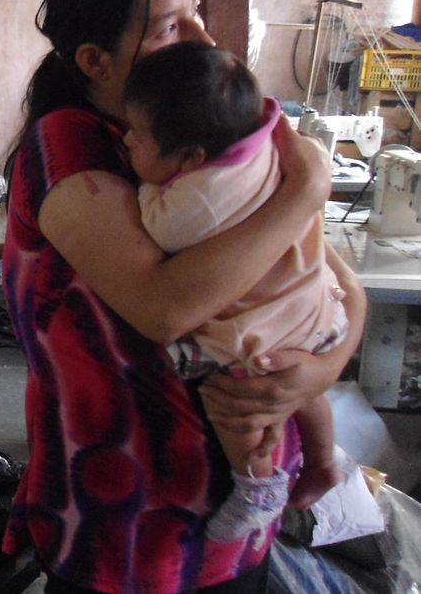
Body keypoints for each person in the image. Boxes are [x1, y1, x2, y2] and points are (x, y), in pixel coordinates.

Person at [1, 0, 366, 593]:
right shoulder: (70, 151)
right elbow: (164, 308)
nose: (202, 37)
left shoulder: (205, 137)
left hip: (233, 530)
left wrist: (320, 369)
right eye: (170, 27)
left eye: (196, 12)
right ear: (95, 60)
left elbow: (329, 282)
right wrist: (306, 187)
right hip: (126, 533)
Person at [123, 41, 346, 543]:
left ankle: (257, 483)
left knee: (235, 404)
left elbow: (159, 229)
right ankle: (323, 459)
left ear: (190, 157)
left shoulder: (197, 199)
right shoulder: (265, 141)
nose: (127, 140)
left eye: (136, 135)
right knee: (305, 388)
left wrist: (145, 190)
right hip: (315, 305)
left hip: (263, 326)